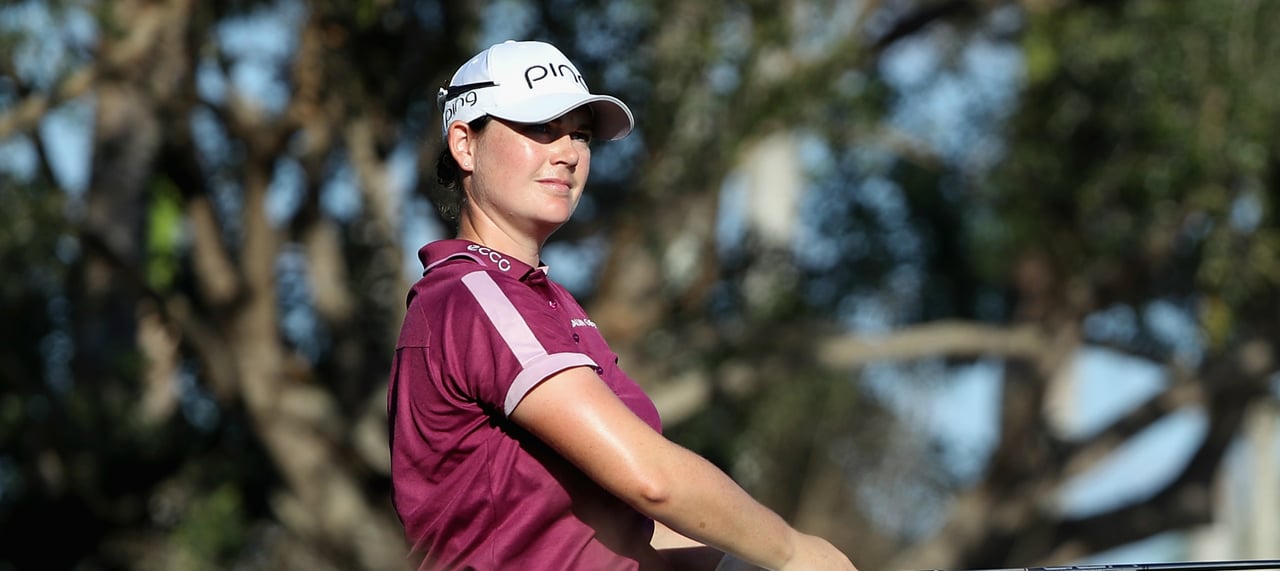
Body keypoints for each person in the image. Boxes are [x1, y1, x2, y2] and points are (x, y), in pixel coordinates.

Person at [386, 39, 858, 571]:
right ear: (464, 145)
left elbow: (633, 525)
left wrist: (744, 560)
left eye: (580, 135)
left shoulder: (547, 302)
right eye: (541, 128)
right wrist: (793, 552)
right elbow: (653, 481)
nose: (568, 154)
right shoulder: (477, 296)